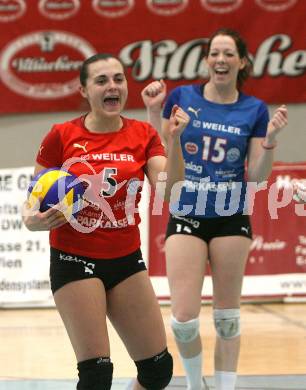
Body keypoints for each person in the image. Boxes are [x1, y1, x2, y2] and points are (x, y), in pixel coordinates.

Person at [22, 53, 190, 390]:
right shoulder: (61, 135)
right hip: (74, 259)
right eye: (101, 81)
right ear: (84, 90)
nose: (112, 86)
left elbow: (170, 193)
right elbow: (32, 202)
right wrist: (32, 221)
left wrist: (175, 141)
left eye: (118, 79)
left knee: (158, 371)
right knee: (97, 375)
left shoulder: (143, 134)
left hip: (126, 260)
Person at [142, 28, 288, 390]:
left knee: (227, 320)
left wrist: (269, 141)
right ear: (207, 60)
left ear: (241, 62)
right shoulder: (182, 96)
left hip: (230, 214)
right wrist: (152, 110)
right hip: (187, 210)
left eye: (228, 54)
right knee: (184, 321)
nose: (220, 60)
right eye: (214, 54)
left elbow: (255, 177)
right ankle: (195, 384)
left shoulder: (254, 109)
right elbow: (161, 148)